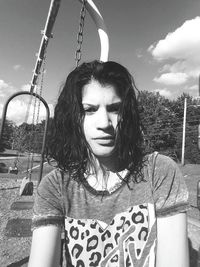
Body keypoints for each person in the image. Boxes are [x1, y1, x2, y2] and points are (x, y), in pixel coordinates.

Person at [28, 60, 189, 267]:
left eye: (114, 109)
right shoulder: (56, 186)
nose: (104, 123)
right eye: (90, 109)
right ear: (73, 117)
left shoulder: (159, 172)